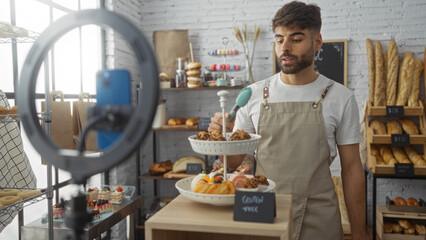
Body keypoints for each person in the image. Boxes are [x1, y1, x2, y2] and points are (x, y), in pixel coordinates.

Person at [208, 1, 366, 240]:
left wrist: (359, 233)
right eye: (280, 39)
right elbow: (233, 163)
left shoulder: (340, 98)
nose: (285, 47)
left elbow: (352, 169)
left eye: (296, 38)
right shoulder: (252, 95)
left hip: (320, 218)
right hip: (264, 212)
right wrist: (225, 139)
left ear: (317, 42)